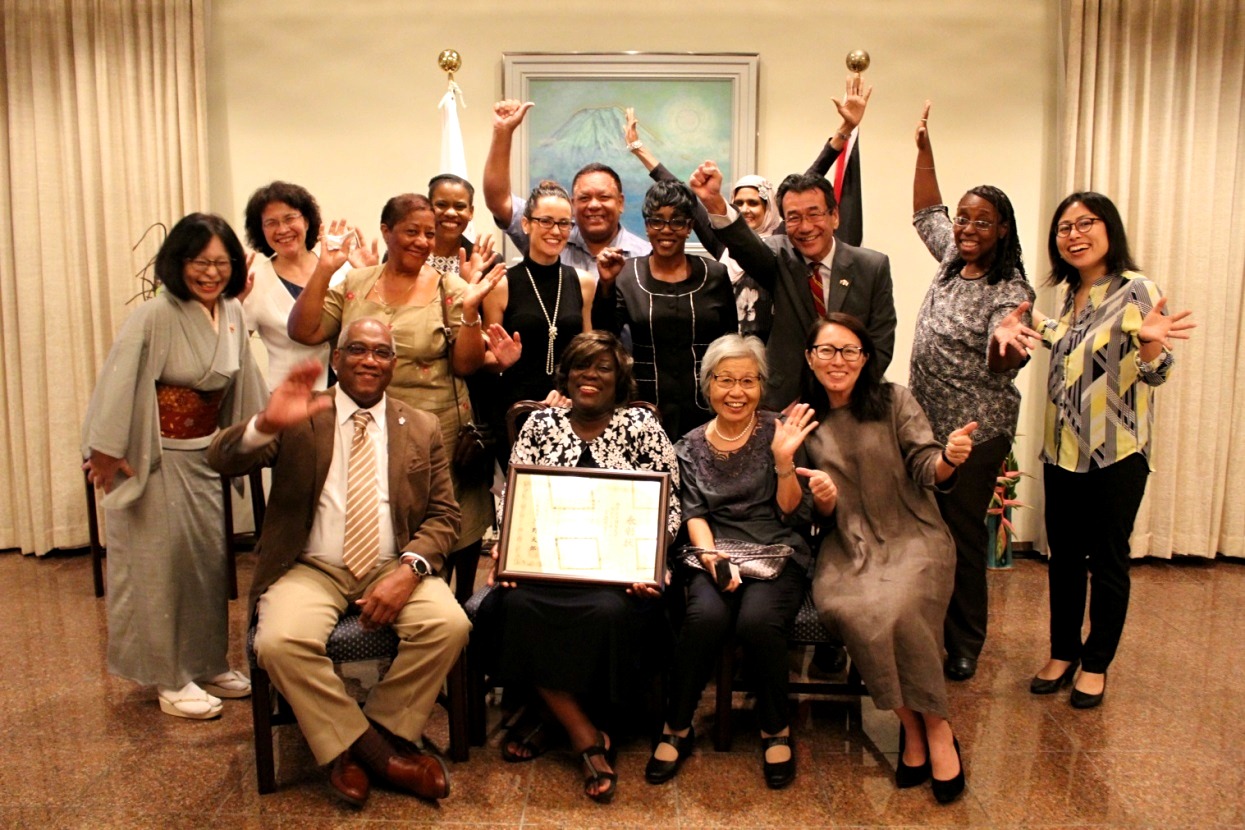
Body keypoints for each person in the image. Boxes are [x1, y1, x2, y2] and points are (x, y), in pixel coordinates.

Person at [207, 318, 469, 806]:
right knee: (280, 643)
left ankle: (370, 735)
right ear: (336, 359)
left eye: (382, 352)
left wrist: (408, 571)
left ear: (394, 364)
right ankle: (379, 753)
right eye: (357, 349)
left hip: (392, 561)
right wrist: (265, 423)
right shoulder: (301, 414)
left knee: (449, 624)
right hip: (310, 566)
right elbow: (220, 459)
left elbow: (443, 515)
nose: (370, 360)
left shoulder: (422, 425)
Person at [992, 192, 1195, 709]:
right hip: (1061, 452)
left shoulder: (1137, 290)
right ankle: (1062, 651)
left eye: (1086, 224)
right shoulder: (1069, 296)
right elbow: (1062, 344)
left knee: (1107, 560)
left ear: (1110, 231)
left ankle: (1096, 662)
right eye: (1065, 228)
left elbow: (1159, 372)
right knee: (1063, 559)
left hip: (1117, 453)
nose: (1074, 235)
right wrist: (1020, 326)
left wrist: (1151, 342)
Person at [81, 212, 267, 720]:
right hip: (154, 458)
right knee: (158, 570)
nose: (209, 273)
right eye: (198, 262)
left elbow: (243, 384)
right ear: (177, 263)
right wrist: (106, 449)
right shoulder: (153, 315)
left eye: (220, 263)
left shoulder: (230, 312)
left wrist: (258, 436)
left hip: (204, 456)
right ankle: (168, 675)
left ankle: (207, 661)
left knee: (205, 566)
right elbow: (119, 382)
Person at [486, 331, 681, 803]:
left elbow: (669, 505)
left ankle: (549, 717)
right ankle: (585, 737)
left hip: (618, 573)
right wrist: (507, 552)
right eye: (580, 367)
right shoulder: (539, 426)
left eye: (602, 368)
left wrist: (650, 562)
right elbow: (513, 499)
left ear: (620, 380)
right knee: (510, 604)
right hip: (544, 566)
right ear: (566, 375)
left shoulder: (642, 427)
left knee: (610, 612)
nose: (589, 376)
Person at [287, 193, 507, 605]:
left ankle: (450, 622)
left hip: (435, 434)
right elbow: (305, 331)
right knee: (377, 523)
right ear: (386, 232)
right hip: (363, 431)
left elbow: (466, 364)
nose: (422, 241)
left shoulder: (451, 287)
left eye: (429, 233)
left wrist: (472, 314)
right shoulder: (355, 283)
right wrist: (324, 269)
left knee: (445, 528)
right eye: (411, 231)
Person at [796, 313, 976, 804]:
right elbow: (811, 509)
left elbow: (925, 465)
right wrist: (825, 498)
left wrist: (950, 459)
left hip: (913, 534)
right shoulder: (804, 420)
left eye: (849, 351)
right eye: (827, 351)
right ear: (810, 359)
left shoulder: (894, 400)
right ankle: (910, 729)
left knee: (899, 608)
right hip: (847, 546)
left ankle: (936, 729)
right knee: (852, 609)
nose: (838, 361)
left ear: (866, 358)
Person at [648, 334, 816, 790]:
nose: (736, 392)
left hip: (778, 550)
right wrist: (710, 557)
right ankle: (677, 726)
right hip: (715, 550)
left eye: (747, 381)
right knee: (703, 617)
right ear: (708, 385)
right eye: (725, 380)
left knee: (759, 622)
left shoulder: (779, 430)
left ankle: (775, 727)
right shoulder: (689, 444)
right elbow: (694, 513)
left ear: (762, 385)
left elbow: (792, 512)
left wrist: (784, 461)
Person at [909, 103, 1036, 681]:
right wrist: (923, 148)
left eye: (982, 221)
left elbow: (1002, 357)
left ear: (1002, 230)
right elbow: (923, 211)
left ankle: (965, 643)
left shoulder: (1011, 288)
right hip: (924, 430)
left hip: (974, 434)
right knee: (923, 534)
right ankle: (925, 629)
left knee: (960, 539)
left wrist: (1006, 340)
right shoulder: (948, 260)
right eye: (964, 219)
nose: (966, 228)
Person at [624, 74, 873, 341]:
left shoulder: (782, 239)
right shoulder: (724, 245)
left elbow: (811, 178)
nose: (745, 209)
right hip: (731, 351)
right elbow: (685, 197)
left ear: (769, 208)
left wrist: (843, 132)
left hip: (775, 352)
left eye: (754, 202)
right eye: (738, 203)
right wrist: (639, 150)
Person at [689, 162, 897, 411]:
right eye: (794, 218)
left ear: (835, 216)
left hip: (854, 403)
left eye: (814, 214)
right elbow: (745, 245)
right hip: (785, 402)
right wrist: (715, 203)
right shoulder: (778, 255)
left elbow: (880, 343)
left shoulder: (872, 266)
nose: (806, 227)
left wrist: (847, 395)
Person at [593, 180, 737, 440]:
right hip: (643, 409)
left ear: (690, 227)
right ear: (647, 225)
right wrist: (605, 284)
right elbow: (604, 336)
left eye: (677, 221)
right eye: (657, 221)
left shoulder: (715, 274)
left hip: (707, 409)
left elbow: (730, 344)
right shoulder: (626, 273)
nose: (666, 230)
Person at [483, 99, 651, 275]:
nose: (593, 205)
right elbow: (498, 201)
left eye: (604, 197)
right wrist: (503, 132)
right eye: (584, 198)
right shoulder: (550, 237)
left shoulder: (644, 256)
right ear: (572, 204)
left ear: (620, 202)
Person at [480, 179, 596, 429]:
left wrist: (568, 393)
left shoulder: (584, 283)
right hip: (516, 409)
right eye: (546, 221)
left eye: (564, 223)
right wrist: (501, 360)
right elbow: (484, 359)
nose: (555, 231)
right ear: (526, 224)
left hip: (571, 407)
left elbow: (587, 356)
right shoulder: (501, 285)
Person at [240, 180, 377, 391]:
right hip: (289, 399)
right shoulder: (254, 281)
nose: (283, 229)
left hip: (347, 393)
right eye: (271, 223)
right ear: (261, 231)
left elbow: (370, 329)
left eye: (289, 218)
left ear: (306, 221)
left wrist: (368, 277)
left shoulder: (342, 269)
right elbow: (236, 347)